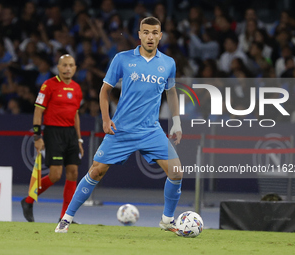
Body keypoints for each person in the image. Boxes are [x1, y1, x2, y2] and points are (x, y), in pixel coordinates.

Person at [55, 17, 183, 234]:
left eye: (154, 33)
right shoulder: (122, 59)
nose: (150, 37)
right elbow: (104, 91)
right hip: (121, 129)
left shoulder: (168, 63)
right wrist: (106, 119)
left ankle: (167, 221)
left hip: (151, 130)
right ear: (139, 34)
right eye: (146, 32)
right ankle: (66, 219)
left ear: (160, 36)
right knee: (96, 172)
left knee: (177, 172)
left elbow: (170, 92)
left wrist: (176, 122)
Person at [21, 54, 84, 223]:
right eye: (64, 65)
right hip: (53, 132)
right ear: (58, 67)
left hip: (70, 133)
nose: (68, 68)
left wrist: (79, 140)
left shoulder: (77, 88)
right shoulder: (48, 85)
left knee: (73, 172)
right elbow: (38, 111)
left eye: (71, 65)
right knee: (55, 175)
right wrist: (37, 136)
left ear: (75, 68)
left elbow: (76, 115)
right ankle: (28, 200)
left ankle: (65, 217)